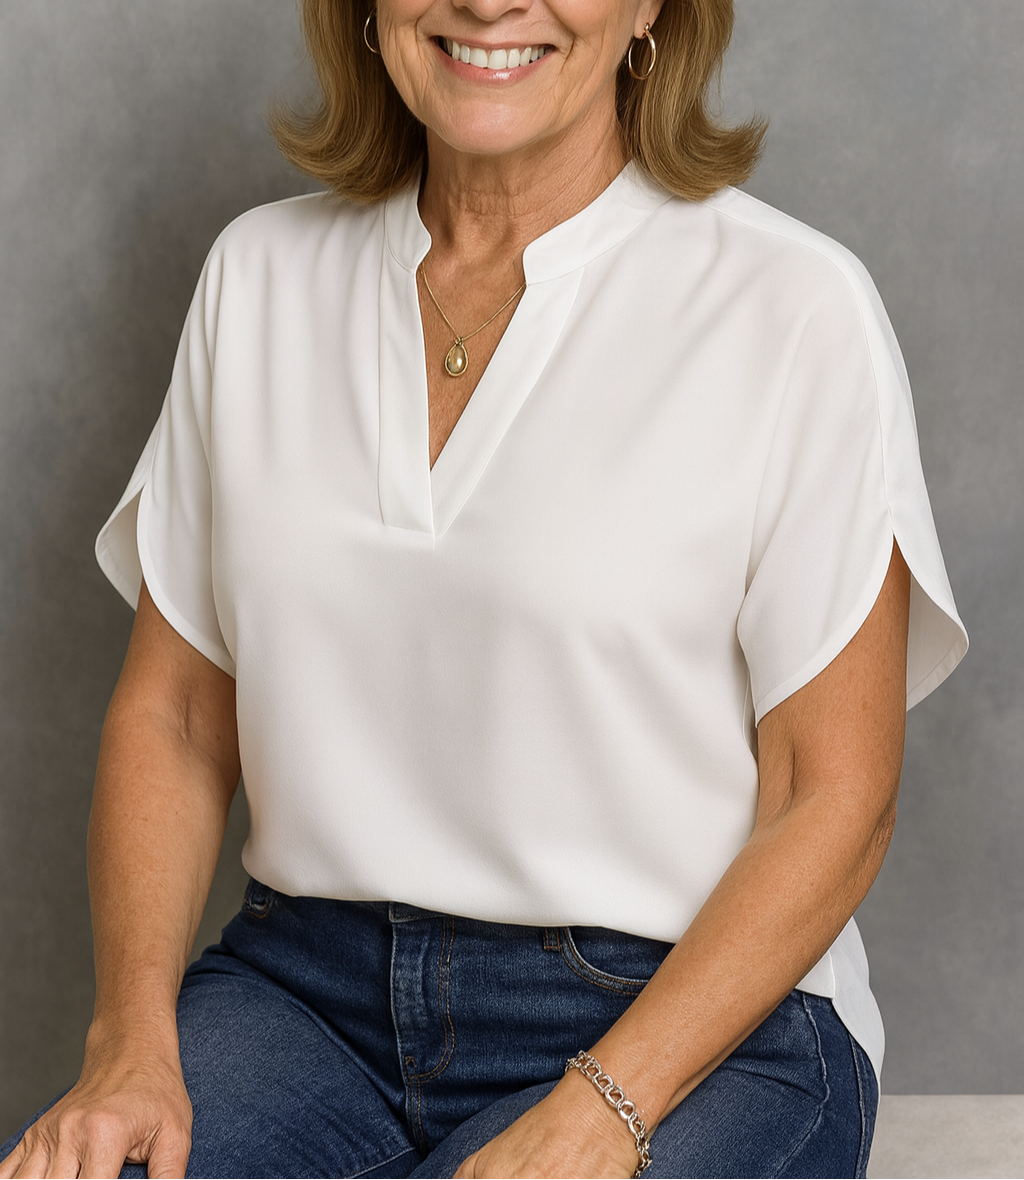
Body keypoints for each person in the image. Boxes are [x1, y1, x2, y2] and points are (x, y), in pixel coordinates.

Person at [1, 1, 967, 1177]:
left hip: (692, 1017)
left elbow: (835, 794)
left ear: (650, 8)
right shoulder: (258, 278)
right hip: (304, 997)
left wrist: (608, 1102)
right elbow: (178, 719)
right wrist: (128, 1044)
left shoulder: (794, 308)